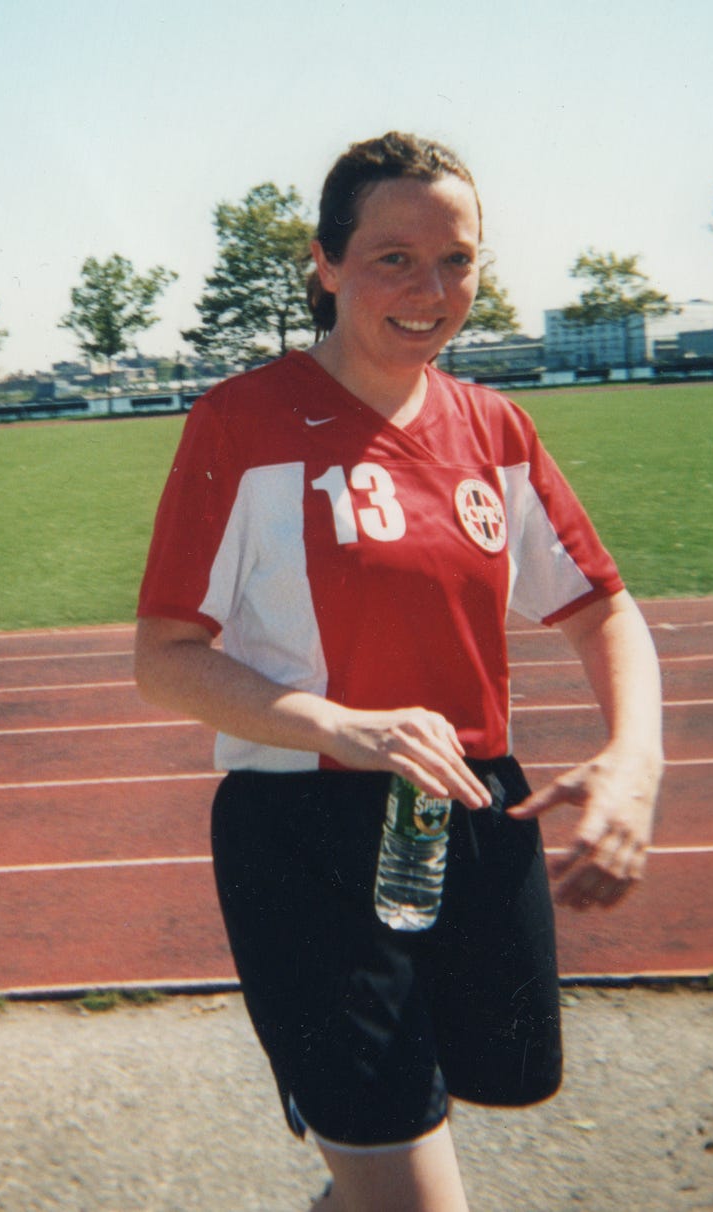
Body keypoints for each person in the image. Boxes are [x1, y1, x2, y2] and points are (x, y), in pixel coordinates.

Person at [134, 131, 663, 1212]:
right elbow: (166, 661)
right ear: (325, 264)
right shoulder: (242, 423)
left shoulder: (495, 430)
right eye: (392, 258)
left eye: (457, 260)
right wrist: (344, 725)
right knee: (417, 1197)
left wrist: (634, 760)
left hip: (471, 815)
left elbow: (603, 608)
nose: (431, 290)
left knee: (485, 1091)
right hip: (303, 838)